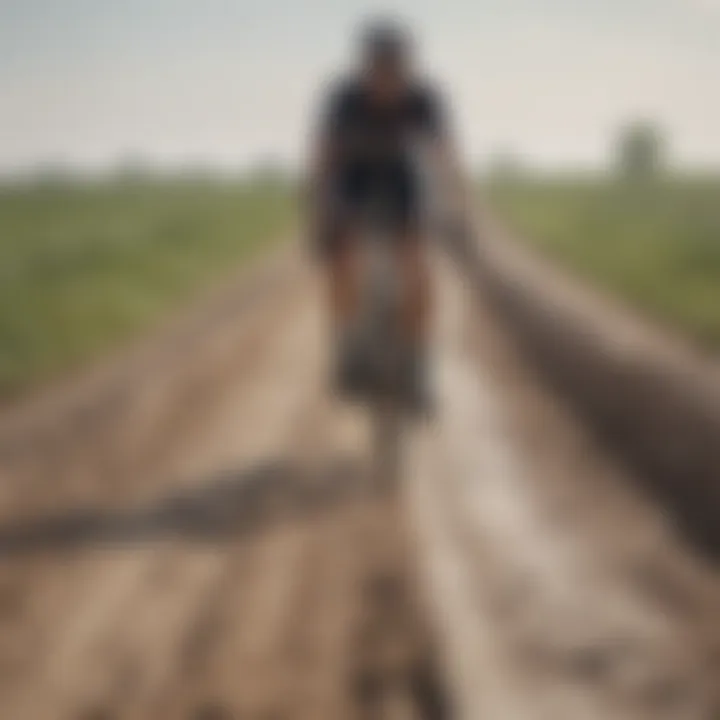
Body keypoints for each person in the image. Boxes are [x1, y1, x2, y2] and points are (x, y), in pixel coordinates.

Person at [307, 18, 469, 412]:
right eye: (379, 70)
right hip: (353, 181)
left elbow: (445, 159)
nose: (387, 80)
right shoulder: (343, 99)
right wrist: (318, 214)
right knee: (342, 258)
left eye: (396, 70)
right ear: (365, 68)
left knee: (419, 267)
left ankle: (417, 366)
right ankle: (348, 350)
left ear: (409, 68)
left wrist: (459, 211)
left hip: (402, 184)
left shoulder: (425, 98)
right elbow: (324, 160)